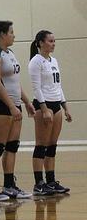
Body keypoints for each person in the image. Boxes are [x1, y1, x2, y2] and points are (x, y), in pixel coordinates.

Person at [0, 20, 36, 201]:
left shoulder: (9, 53)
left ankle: (9, 185)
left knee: (12, 146)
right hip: (0, 104)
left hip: (14, 104)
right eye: (11, 32)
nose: (14, 35)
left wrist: (26, 102)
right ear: (2, 34)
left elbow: (15, 82)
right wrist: (11, 106)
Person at [28, 30, 72, 194]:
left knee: (52, 145)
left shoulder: (54, 60)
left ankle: (51, 181)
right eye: (50, 41)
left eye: (54, 41)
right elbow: (36, 88)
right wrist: (44, 109)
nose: (53, 44)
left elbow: (58, 86)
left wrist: (65, 107)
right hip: (43, 106)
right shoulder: (36, 61)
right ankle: (39, 183)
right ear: (40, 43)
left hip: (56, 105)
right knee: (41, 145)